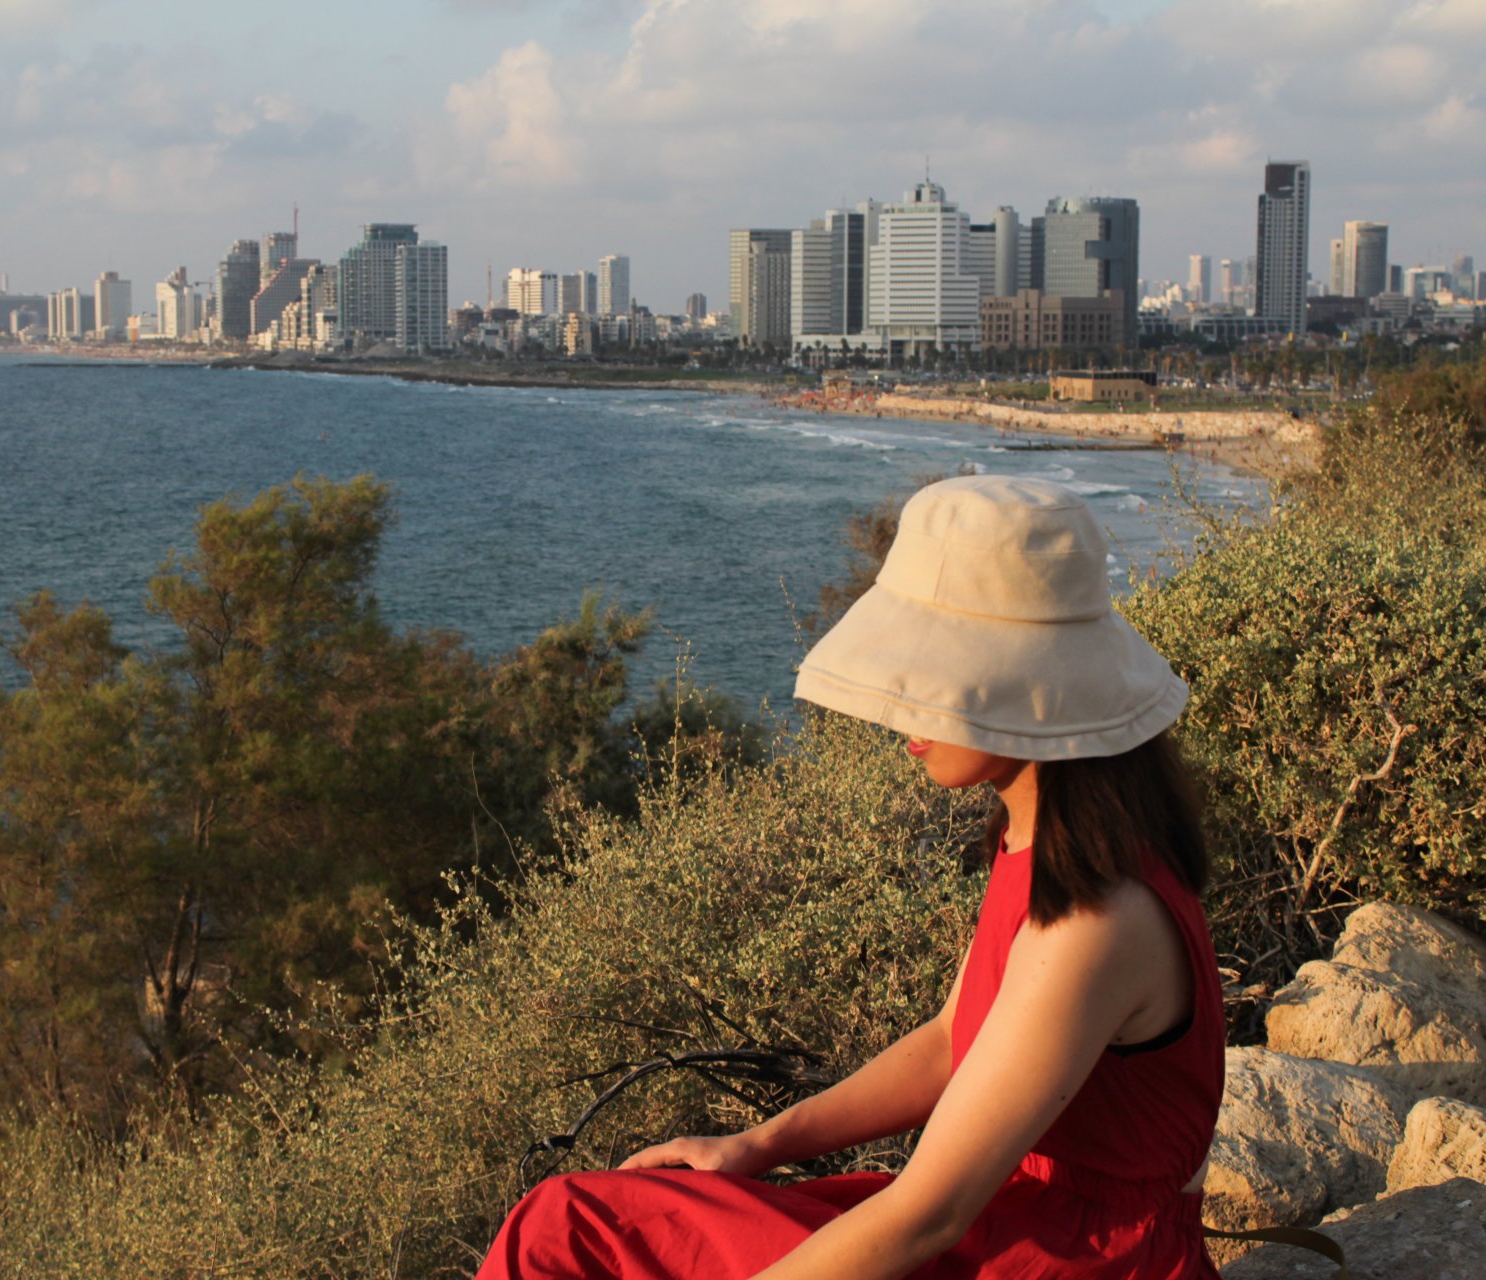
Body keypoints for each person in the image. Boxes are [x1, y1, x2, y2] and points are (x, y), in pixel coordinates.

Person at [475, 475, 1223, 1279]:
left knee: (574, 1233)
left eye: (934, 677)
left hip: (1072, 1258)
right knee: (574, 1220)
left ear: (1026, 692)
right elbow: (949, 1042)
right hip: (1020, 1224)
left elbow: (927, 1216)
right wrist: (759, 1146)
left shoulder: (1096, 922)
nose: (901, 709)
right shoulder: (1045, 840)